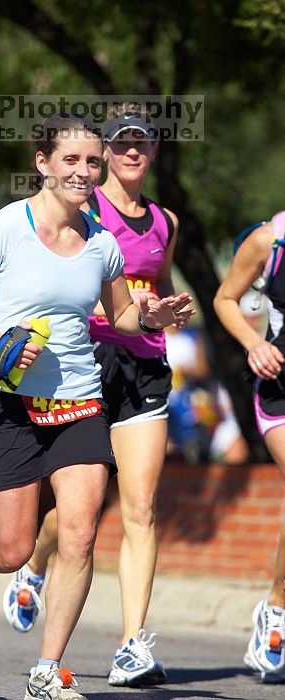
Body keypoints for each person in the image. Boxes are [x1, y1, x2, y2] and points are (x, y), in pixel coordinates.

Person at [0, 113, 194, 700]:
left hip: (79, 399)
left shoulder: (101, 242)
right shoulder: (6, 228)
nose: (84, 172)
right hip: (7, 401)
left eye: (93, 162)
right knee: (13, 549)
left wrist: (150, 317)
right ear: (42, 163)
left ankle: (49, 669)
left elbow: (117, 317)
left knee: (81, 532)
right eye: (71, 160)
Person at [2, 105, 184, 688]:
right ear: (103, 153)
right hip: (84, 365)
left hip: (145, 365)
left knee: (141, 505)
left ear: (153, 152)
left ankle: (131, 645)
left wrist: (163, 311)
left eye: (143, 144)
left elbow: (159, 285)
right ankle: (33, 563)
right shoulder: (85, 205)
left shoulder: (165, 221)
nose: (132, 152)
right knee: (80, 513)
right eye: (121, 144)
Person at [214, 210, 285, 684]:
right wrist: (251, 343)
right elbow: (224, 298)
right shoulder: (269, 241)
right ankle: (277, 610)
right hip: (281, 387)